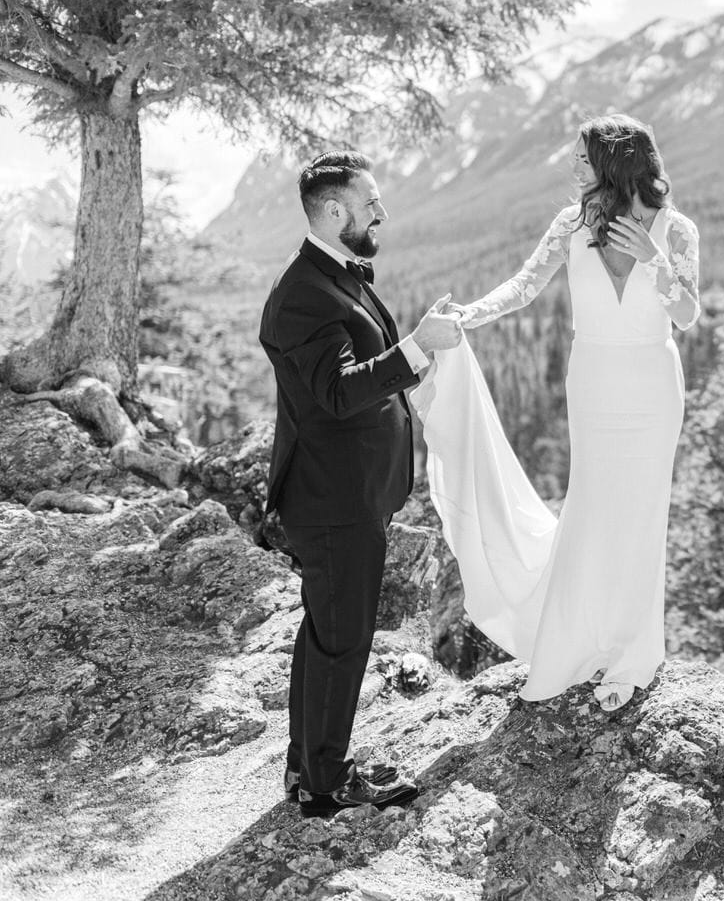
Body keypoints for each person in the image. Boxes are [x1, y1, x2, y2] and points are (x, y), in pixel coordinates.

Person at [419, 113, 699, 713]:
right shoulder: (570, 225)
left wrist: (653, 259)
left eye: (581, 157)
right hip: (594, 382)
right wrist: (468, 314)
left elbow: (687, 314)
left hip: (653, 386)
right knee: (595, 505)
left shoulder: (677, 232)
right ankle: (576, 645)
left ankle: (632, 653)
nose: (572, 167)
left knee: (644, 513)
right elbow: (524, 286)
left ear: (615, 161)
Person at [259, 151, 464, 818]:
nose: (383, 211)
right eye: (371, 200)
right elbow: (341, 393)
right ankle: (328, 784)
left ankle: (308, 767)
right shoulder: (302, 297)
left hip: (344, 494)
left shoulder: (330, 277)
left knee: (326, 634)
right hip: (332, 500)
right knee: (342, 640)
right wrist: (415, 347)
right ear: (335, 211)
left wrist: (413, 351)